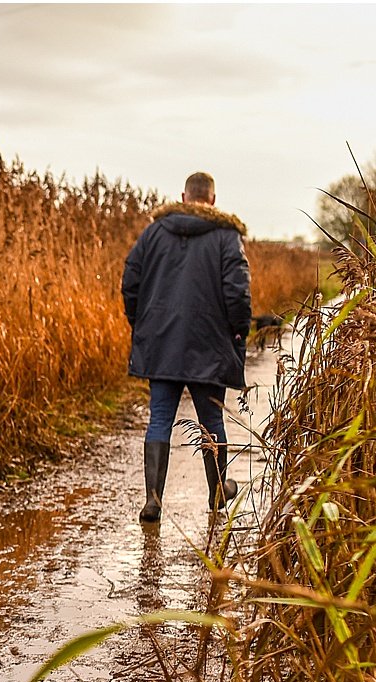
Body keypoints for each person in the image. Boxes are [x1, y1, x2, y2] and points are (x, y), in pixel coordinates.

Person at [121, 170, 253, 520]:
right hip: (209, 343)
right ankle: (218, 492)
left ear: (183, 197)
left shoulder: (153, 233)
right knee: (211, 418)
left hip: (161, 340)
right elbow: (238, 292)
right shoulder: (227, 236)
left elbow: (129, 280)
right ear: (212, 200)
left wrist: (142, 324)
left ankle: (153, 500)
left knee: (160, 416)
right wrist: (238, 331)